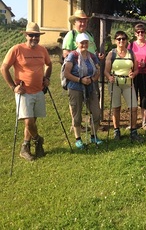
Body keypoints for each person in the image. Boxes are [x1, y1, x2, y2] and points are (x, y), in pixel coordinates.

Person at [1, 22, 52, 161]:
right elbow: (3, 68)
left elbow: (49, 64)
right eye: (31, 35)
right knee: (29, 122)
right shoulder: (17, 49)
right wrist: (13, 87)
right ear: (26, 35)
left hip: (39, 91)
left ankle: (25, 147)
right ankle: (38, 140)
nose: (34, 38)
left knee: (32, 121)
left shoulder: (42, 50)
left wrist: (47, 78)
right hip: (24, 92)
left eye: (36, 36)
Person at [63, 33, 103, 149]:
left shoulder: (92, 56)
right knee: (77, 114)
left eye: (86, 42)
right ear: (77, 44)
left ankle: (93, 136)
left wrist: (92, 79)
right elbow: (67, 73)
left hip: (90, 86)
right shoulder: (72, 56)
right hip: (75, 87)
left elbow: (97, 72)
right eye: (82, 43)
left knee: (96, 112)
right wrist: (80, 80)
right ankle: (78, 139)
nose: (84, 45)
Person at [104, 31, 142, 141]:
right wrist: (109, 77)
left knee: (133, 107)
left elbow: (136, 69)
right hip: (114, 83)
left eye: (124, 39)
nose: (121, 41)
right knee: (116, 107)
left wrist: (133, 74)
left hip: (128, 83)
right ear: (115, 41)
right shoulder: (111, 54)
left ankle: (133, 131)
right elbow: (106, 71)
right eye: (119, 39)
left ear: (126, 41)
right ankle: (117, 131)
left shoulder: (131, 53)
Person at [128, 23, 146, 130]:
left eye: (142, 32)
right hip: (134, 74)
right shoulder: (131, 46)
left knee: (144, 98)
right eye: (138, 32)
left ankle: (144, 121)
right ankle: (132, 122)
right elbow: (127, 58)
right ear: (135, 34)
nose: (140, 34)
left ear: (145, 33)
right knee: (132, 97)